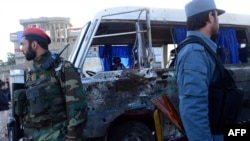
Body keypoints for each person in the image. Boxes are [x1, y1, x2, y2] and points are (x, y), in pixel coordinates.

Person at [19, 27, 87, 141]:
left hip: (57, 135)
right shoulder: (34, 72)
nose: (22, 49)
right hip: (35, 135)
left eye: (23, 44)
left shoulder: (62, 68)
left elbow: (77, 107)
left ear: (34, 44)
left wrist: (71, 138)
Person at [175, 0, 225, 141]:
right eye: (217, 16)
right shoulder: (195, 52)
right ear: (210, 16)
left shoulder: (203, 49)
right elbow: (193, 109)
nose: (218, 21)